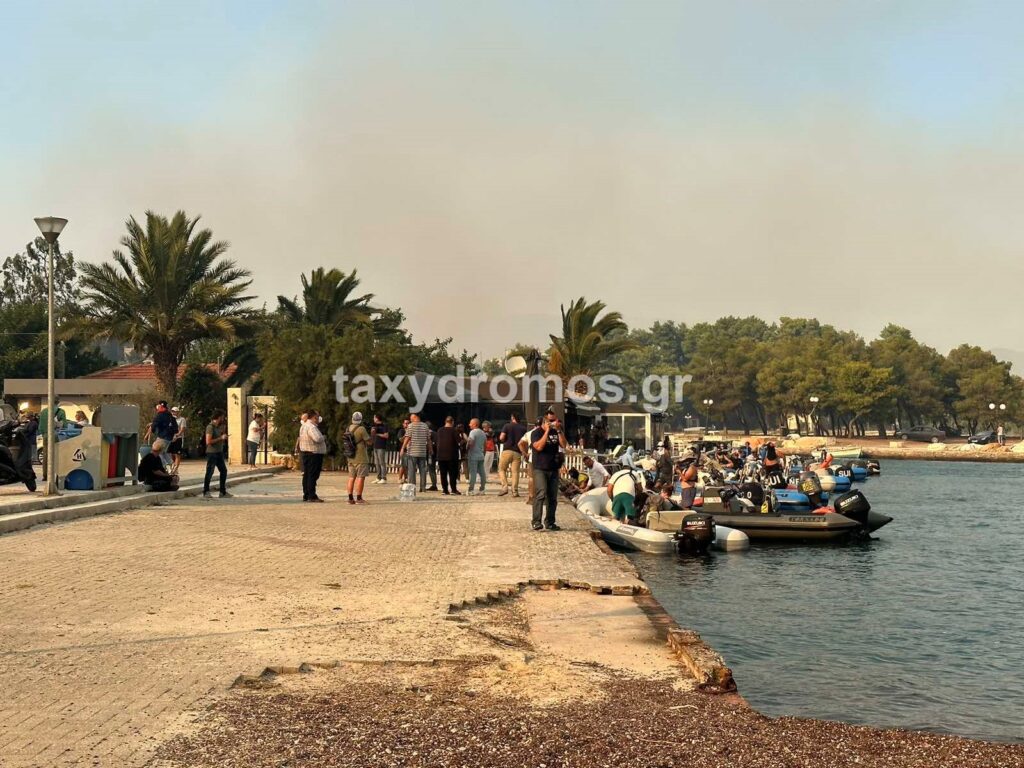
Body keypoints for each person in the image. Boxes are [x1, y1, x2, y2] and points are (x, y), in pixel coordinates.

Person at [530, 409, 567, 531]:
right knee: (541, 494)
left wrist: (559, 430)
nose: (553, 422)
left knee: (553, 497)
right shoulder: (536, 433)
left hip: (553, 468)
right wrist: (546, 432)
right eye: (550, 421)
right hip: (540, 468)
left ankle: (550, 522)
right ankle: (536, 521)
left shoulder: (556, 431)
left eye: (554, 420)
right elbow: (539, 447)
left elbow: (563, 445)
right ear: (544, 421)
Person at [298, 408, 328, 502]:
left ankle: (306, 494)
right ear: (314, 417)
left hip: (306, 452)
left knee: (307, 475)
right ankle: (312, 495)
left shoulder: (304, 426)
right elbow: (317, 438)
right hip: (314, 454)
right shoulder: (311, 427)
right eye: (317, 416)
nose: (318, 418)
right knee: (313, 475)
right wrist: (323, 437)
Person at [497, 413, 527, 497]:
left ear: (513, 418)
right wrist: (525, 452)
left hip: (507, 450)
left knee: (501, 469)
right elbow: (524, 442)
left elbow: (501, 438)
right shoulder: (523, 428)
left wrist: (505, 439)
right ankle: (515, 491)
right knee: (515, 472)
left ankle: (505, 487)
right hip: (517, 452)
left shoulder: (507, 426)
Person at [202, 409, 231, 498]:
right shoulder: (210, 427)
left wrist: (223, 436)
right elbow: (208, 441)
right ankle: (206, 491)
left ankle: (222, 492)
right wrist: (220, 438)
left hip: (219, 452)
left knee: (223, 471)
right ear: (219, 417)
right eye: (222, 417)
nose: (223, 418)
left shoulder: (219, 427)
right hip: (212, 452)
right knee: (210, 472)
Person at [345, 411, 372, 504]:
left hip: (350, 456)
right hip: (361, 457)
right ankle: (359, 498)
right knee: (361, 477)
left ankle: (350, 498)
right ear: (361, 419)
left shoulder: (348, 428)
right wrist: (372, 433)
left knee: (351, 477)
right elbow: (369, 442)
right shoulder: (361, 429)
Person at [402, 412, 431, 491]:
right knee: (423, 471)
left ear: (415, 417)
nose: (410, 419)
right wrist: (430, 449)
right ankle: (423, 487)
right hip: (422, 452)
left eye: (411, 417)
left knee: (411, 471)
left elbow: (407, 438)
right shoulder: (425, 426)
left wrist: (402, 448)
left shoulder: (410, 426)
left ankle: (412, 488)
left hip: (412, 452)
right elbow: (428, 439)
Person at [146, 401, 178, 467]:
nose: (158, 408)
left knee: (156, 451)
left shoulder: (160, 415)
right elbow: (175, 428)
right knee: (162, 452)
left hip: (162, 437)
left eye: (159, 407)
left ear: (161, 407)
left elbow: (154, 425)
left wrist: (147, 435)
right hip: (169, 438)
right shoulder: (170, 415)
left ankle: (163, 466)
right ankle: (172, 464)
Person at [435, 416, 461, 495]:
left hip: (441, 455)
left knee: (443, 474)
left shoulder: (439, 430)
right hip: (451, 455)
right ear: (452, 422)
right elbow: (459, 442)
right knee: (452, 473)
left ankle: (445, 490)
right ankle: (453, 489)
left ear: (445, 422)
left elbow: (437, 441)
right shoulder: (454, 430)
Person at [466, 418, 487, 495]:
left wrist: (467, 448)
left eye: (470, 423)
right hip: (481, 455)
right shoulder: (483, 433)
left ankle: (471, 490)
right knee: (482, 473)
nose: (469, 424)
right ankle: (482, 489)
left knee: (473, 473)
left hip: (473, 455)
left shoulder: (472, 432)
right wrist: (483, 454)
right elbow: (485, 445)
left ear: (475, 424)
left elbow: (470, 442)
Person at [371, 414, 390, 484]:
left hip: (381, 446)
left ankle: (384, 478)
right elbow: (372, 435)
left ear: (377, 418)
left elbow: (386, 436)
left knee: (382, 462)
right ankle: (378, 477)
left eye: (374, 417)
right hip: (375, 446)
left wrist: (378, 434)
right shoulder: (374, 426)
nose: (373, 419)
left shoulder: (384, 425)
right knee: (376, 463)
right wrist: (372, 432)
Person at [169, 406, 187, 473]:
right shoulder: (170, 419)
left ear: (178, 412)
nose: (174, 413)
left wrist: (177, 435)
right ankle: (172, 467)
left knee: (177, 454)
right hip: (170, 438)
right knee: (171, 453)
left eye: (175, 411)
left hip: (178, 438)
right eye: (173, 411)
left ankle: (175, 468)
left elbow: (182, 429)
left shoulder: (182, 419)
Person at [425, 421, 439, 491]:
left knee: (429, 469)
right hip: (434, 454)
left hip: (427, 453)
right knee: (431, 469)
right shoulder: (436, 434)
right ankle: (434, 484)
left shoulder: (425, 434)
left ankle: (431, 485)